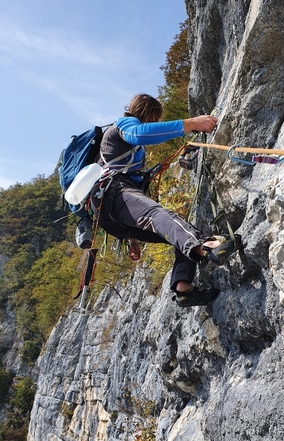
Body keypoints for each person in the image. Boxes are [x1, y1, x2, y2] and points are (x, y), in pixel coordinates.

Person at [90, 93, 238, 307]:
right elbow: (139, 134)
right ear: (148, 113)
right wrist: (193, 123)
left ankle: (183, 289)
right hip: (113, 192)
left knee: (177, 231)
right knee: (163, 217)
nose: (156, 122)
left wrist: (132, 238)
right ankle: (204, 246)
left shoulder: (124, 152)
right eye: (155, 117)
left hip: (110, 214)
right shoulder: (123, 125)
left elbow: (133, 203)